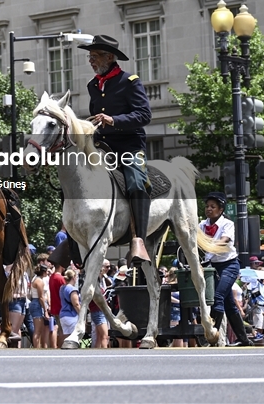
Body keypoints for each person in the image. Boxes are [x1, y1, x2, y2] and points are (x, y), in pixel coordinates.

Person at [79, 35, 152, 267]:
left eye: (95, 56)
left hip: (129, 145)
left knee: (136, 182)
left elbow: (144, 115)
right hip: (103, 145)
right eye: (89, 57)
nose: (91, 61)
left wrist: (113, 119)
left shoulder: (129, 81)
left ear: (109, 57)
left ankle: (138, 240)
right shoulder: (93, 85)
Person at [200, 192, 251, 346]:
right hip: (212, 267)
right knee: (228, 304)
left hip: (229, 265)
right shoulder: (201, 225)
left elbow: (224, 240)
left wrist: (209, 247)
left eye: (213, 206)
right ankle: (244, 340)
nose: (209, 209)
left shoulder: (227, 224)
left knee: (217, 297)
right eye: (207, 206)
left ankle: (212, 336)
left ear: (220, 209)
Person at [28, 262, 51, 350]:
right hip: (37, 303)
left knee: (39, 329)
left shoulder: (35, 279)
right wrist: (45, 310)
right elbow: (41, 297)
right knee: (38, 330)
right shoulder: (39, 281)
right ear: (44, 272)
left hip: (36, 302)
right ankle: (36, 348)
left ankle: (37, 347)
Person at [58, 268, 81, 341]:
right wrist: (82, 315)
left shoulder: (62, 288)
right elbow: (76, 304)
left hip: (63, 315)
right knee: (74, 338)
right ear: (74, 277)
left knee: (66, 337)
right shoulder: (72, 289)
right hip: (72, 315)